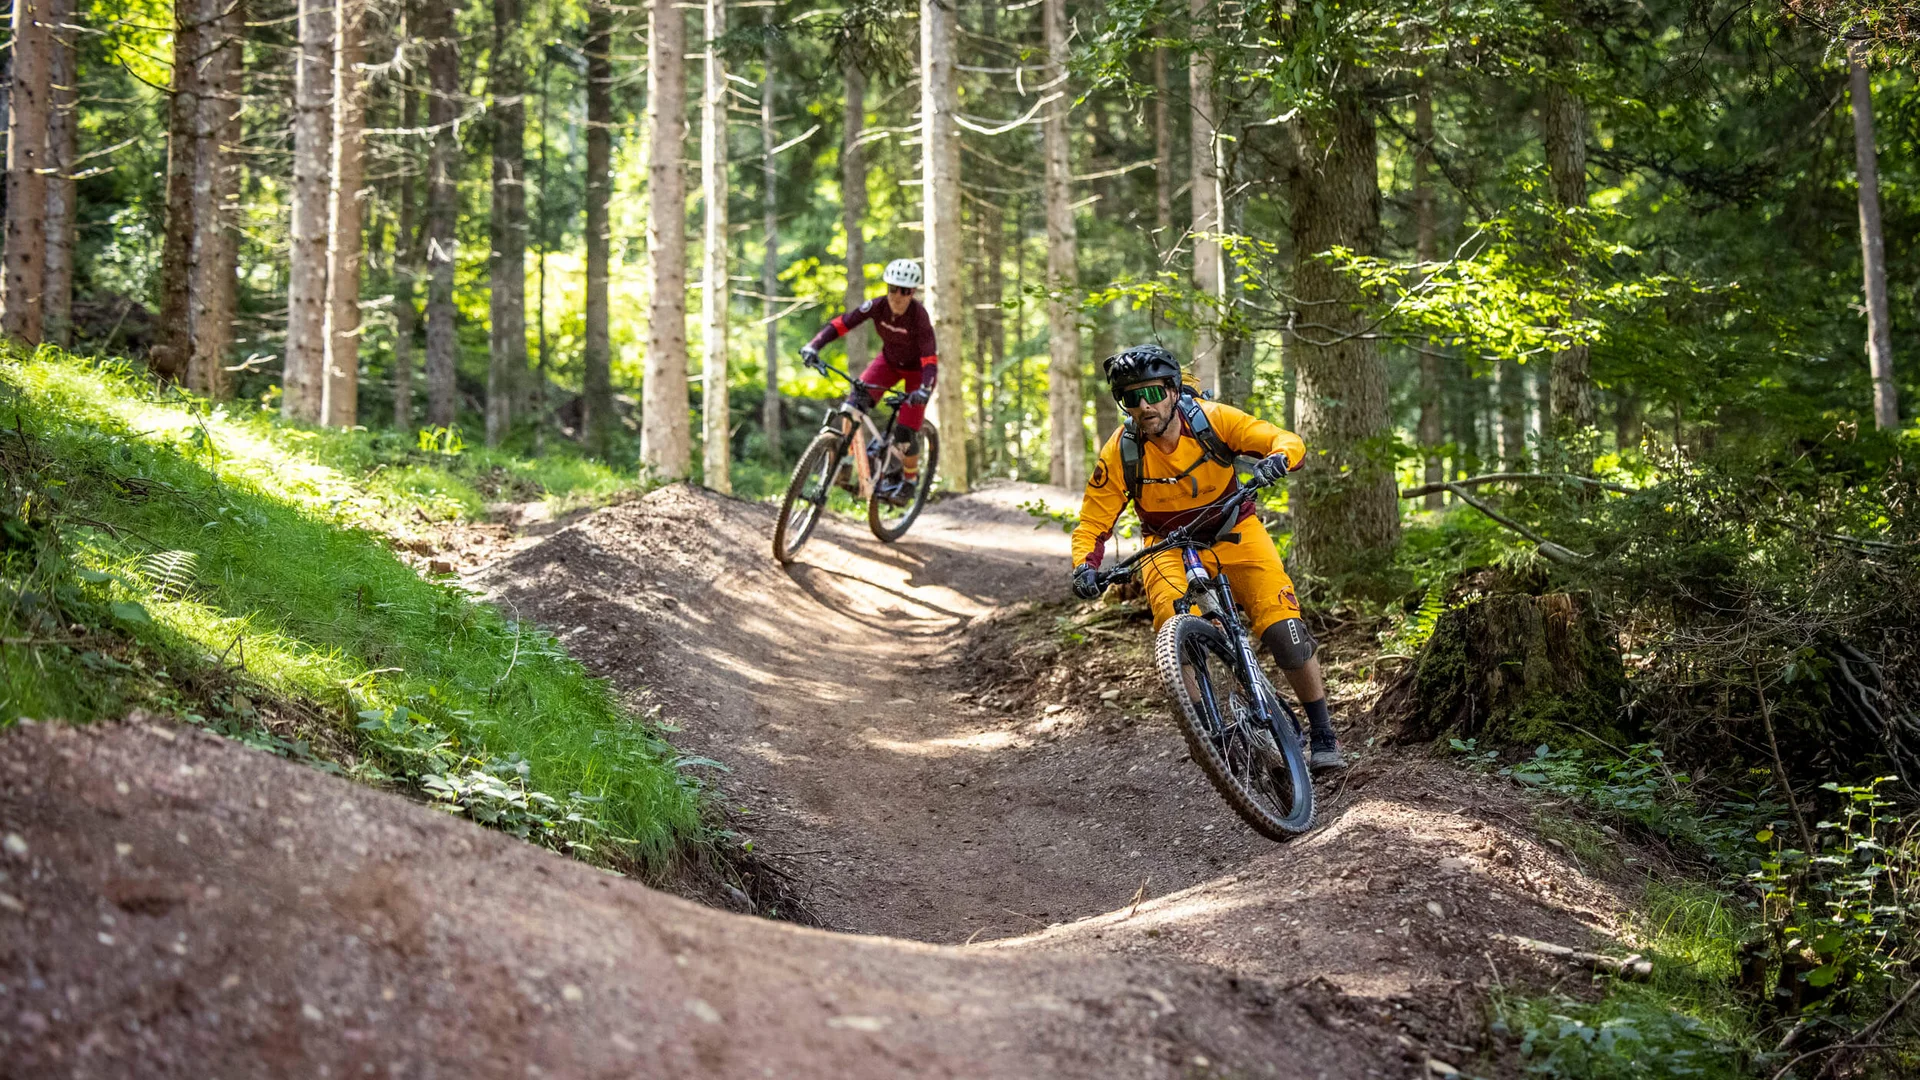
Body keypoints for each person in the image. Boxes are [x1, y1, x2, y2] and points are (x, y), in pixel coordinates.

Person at [1068, 344, 1345, 772]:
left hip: (1234, 531)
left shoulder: (1213, 420)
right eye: (1131, 398)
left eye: (1153, 393)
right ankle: (1214, 737)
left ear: (1174, 390)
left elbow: (1285, 440)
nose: (1144, 407)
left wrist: (1277, 459)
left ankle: (1324, 733)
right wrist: (1084, 566)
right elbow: (1092, 522)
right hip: (1165, 546)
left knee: (1284, 629)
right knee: (1175, 633)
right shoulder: (1121, 450)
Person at [799, 259, 939, 501]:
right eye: (892, 288)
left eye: (903, 291)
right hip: (888, 364)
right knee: (851, 406)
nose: (897, 296)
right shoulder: (877, 307)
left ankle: (909, 481)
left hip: (917, 374)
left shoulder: (919, 317)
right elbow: (842, 324)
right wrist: (814, 346)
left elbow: (929, 359)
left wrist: (924, 390)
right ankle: (846, 459)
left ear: (912, 292)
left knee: (905, 432)